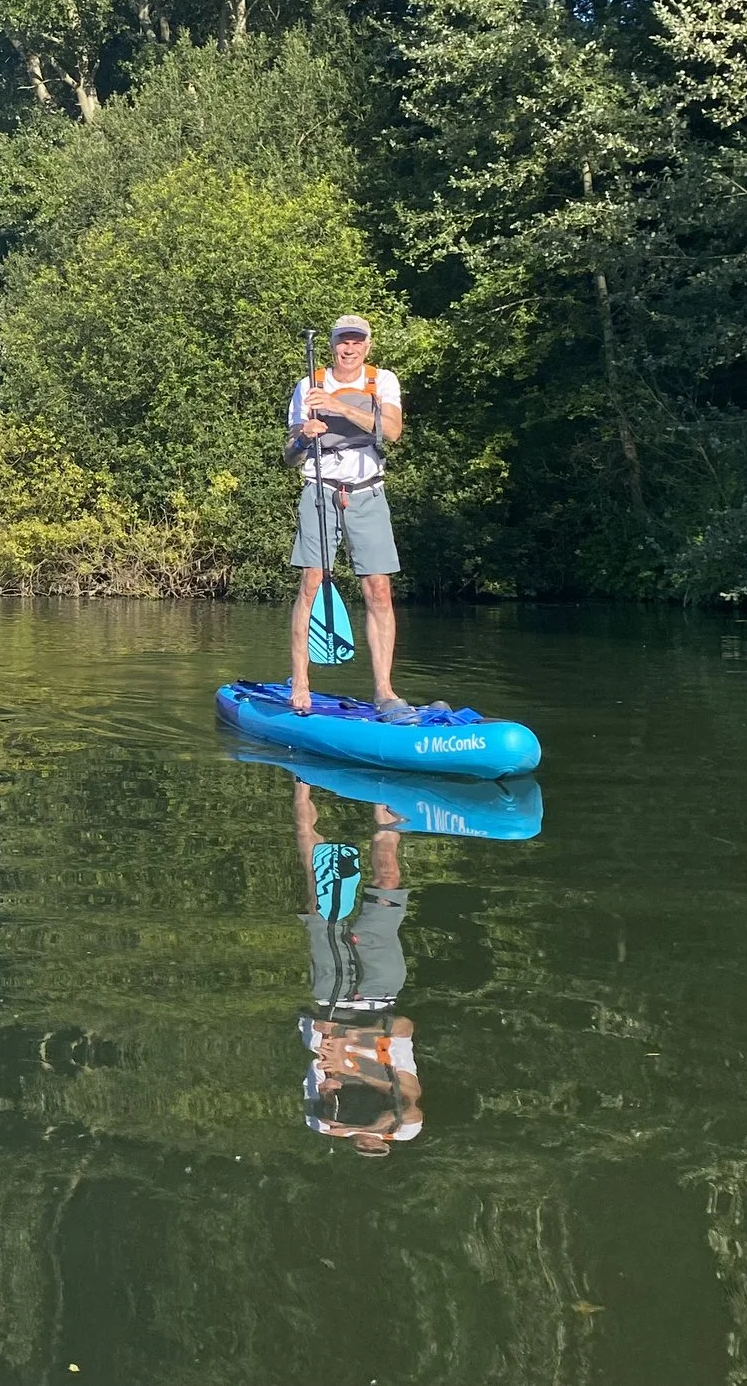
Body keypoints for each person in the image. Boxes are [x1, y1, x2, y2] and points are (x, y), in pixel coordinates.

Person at [286, 313, 407, 719]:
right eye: (343, 341)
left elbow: (391, 432)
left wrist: (337, 406)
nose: (349, 348)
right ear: (333, 344)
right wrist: (304, 435)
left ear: (367, 345)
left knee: (379, 590)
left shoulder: (382, 381)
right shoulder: (309, 383)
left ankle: (384, 691)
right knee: (311, 583)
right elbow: (289, 455)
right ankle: (301, 684)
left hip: (368, 491)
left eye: (357, 341)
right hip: (320, 488)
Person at [292, 782, 422, 1154]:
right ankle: (384, 795)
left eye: (362, 1142)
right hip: (382, 990)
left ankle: (302, 791)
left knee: (318, 890)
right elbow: (402, 1026)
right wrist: (353, 1054)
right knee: (388, 881)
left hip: (330, 995)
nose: (369, 1138)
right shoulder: (400, 1118)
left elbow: (322, 1030)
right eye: (375, 1141)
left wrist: (345, 1122)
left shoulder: (324, 1118)